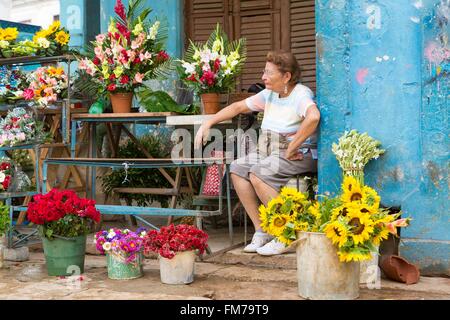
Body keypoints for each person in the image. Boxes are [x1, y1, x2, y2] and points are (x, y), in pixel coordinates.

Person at [194, 50, 320, 256]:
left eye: (269, 73)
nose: (263, 77)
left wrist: (292, 146)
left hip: (298, 154)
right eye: (264, 71)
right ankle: (263, 230)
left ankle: (284, 233)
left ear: (286, 76)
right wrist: (209, 121)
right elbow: (237, 107)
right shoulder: (270, 94)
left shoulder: (300, 94)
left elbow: (313, 117)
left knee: (259, 172)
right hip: (268, 149)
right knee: (237, 168)